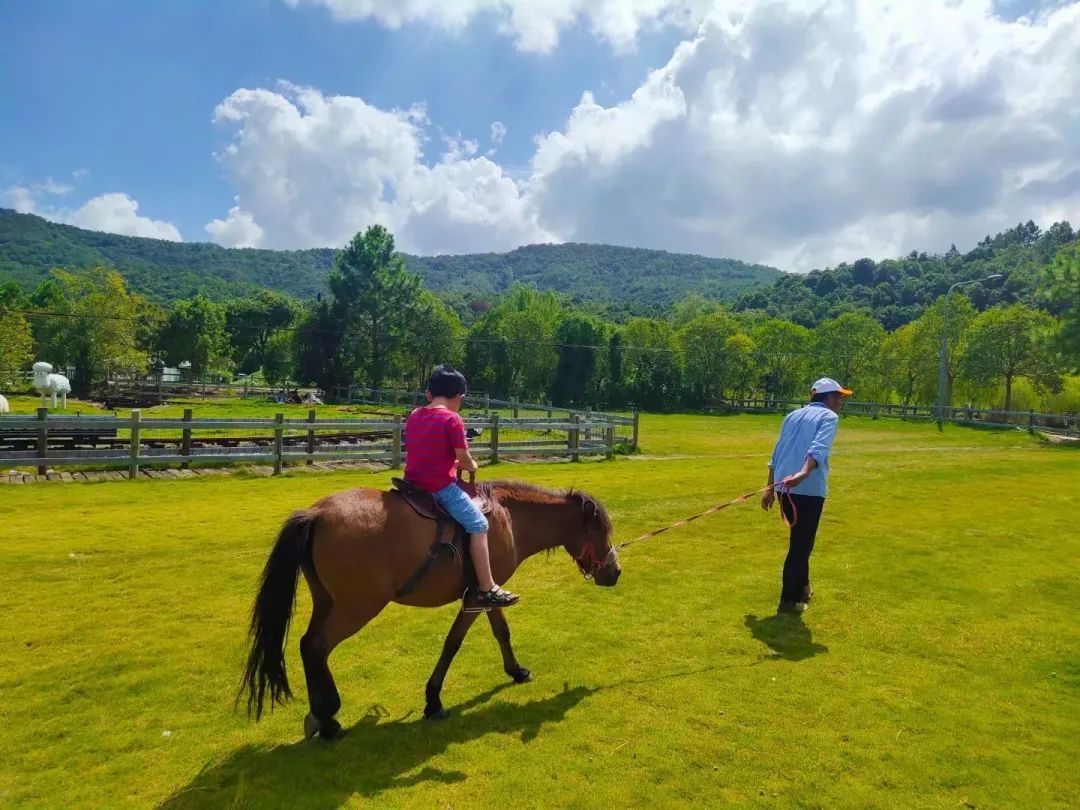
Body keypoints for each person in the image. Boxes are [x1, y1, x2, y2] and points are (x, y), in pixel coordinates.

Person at [404, 365, 520, 611]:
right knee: (479, 524)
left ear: (428, 394)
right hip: (439, 488)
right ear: (460, 396)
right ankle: (487, 587)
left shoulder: (414, 415)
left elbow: (428, 452)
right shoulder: (452, 419)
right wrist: (470, 463)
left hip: (412, 485)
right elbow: (464, 457)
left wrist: (452, 462)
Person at [761, 377, 852, 614]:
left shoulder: (792, 415)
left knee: (801, 542)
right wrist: (802, 473)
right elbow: (818, 449)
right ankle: (788, 601)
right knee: (800, 547)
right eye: (839, 397)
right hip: (807, 489)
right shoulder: (829, 417)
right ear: (828, 397)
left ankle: (803, 589)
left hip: (784, 487)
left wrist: (770, 487)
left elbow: (777, 451)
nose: (841, 402)